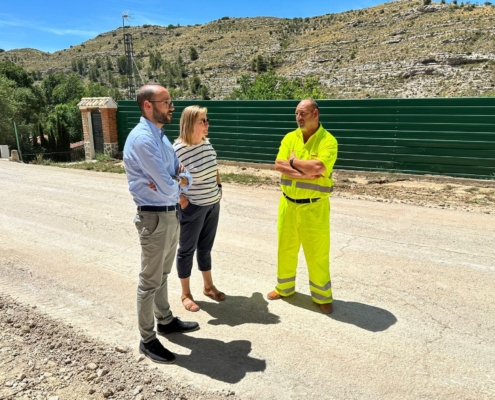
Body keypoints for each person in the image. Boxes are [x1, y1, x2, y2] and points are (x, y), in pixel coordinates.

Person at [123, 84, 199, 365]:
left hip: (168, 213)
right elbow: (171, 186)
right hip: (154, 216)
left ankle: (165, 320)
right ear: (147, 105)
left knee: (163, 274)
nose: (171, 106)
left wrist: (175, 181)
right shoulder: (142, 139)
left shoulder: (161, 137)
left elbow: (182, 177)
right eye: (166, 102)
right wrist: (174, 183)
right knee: (149, 280)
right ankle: (147, 338)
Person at [267, 99, 338, 314]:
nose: (299, 117)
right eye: (296, 113)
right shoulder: (290, 138)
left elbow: (319, 167)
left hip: (314, 208)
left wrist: (294, 162)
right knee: (285, 249)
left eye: (303, 113)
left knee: (317, 253)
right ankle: (284, 288)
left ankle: (322, 296)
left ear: (315, 114)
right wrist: (304, 170)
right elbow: (278, 164)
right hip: (288, 205)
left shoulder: (328, 141)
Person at [172, 105, 225, 312]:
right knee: (186, 250)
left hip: (213, 205)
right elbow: (169, 180)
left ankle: (208, 286)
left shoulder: (206, 144)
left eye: (207, 120)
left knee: (205, 248)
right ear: (189, 123)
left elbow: (215, 168)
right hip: (193, 208)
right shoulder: (177, 151)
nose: (207, 124)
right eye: (202, 121)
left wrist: (219, 188)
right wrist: (183, 202)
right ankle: (185, 293)